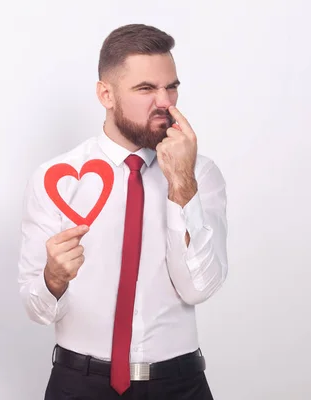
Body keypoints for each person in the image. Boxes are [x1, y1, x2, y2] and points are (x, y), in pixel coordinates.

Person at [17, 23, 228, 399]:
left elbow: (199, 287)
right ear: (106, 94)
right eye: (146, 88)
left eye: (172, 86)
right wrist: (53, 278)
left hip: (178, 385)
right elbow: (37, 309)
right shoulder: (57, 179)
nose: (165, 101)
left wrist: (182, 184)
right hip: (79, 383)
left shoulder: (201, 175)